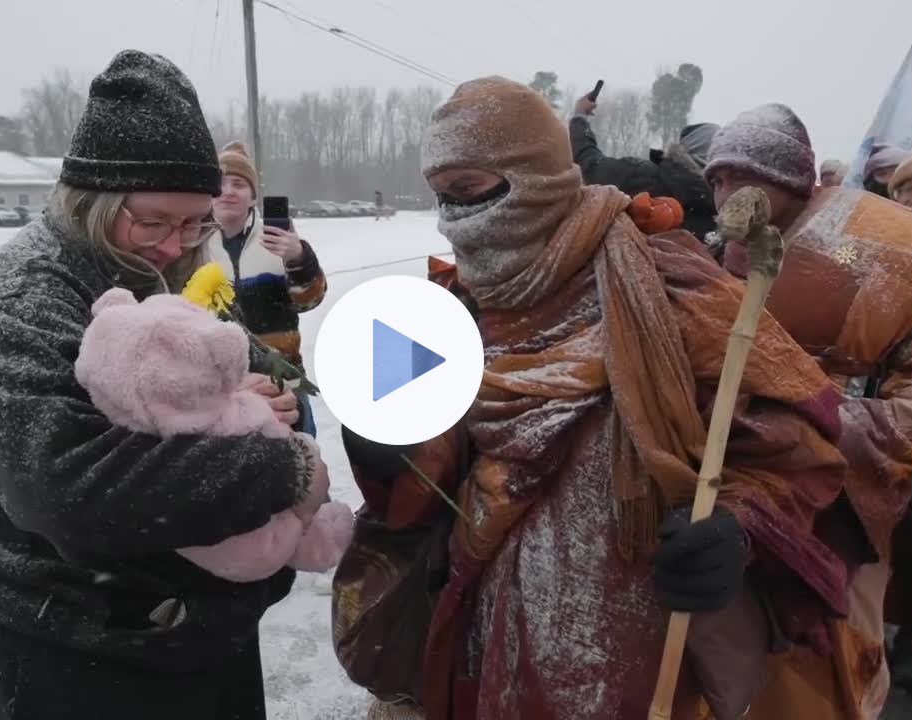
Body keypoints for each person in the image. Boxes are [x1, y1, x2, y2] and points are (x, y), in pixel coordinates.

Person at [334, 77, 856, 720]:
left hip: (630, 635)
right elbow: (421, 487)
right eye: (442, 198)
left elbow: (797, 445)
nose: (455, 219)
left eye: (469, 193)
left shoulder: (671, 284)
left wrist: (736, 528)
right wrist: (386, 455)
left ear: (540, 177)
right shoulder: (452, 305)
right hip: (482, 622)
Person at [0, 50, 324, 720]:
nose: (177, 245)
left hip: (187, 633)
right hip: (79, 649)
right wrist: (278, 466)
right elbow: (68, 489)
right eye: (154, 221)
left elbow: (171, 401)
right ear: (92, 200)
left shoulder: (153, 270)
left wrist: (244, 401)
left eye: (195, 222)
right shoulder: (20, 304)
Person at [704, 103, 912, 720]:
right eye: (717, 179)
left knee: (820, 681)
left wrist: (826, 423)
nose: (727, 193)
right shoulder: (703, 267)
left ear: (792, 184)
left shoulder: (877, 260)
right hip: (717, 522)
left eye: (744, 177)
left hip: (836, 519)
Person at [207, 141, 327, 436]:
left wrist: (298, 258)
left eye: (239, 184)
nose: (229, 191)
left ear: (252, 198)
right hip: (220, 386)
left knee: (301, 467)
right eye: (221, 183)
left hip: (283, 379)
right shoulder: (191, 246)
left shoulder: (280, 242)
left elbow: (309, 300)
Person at [570, 93, 718, 238]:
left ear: (684, 149)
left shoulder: (645, 176)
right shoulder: (727, 214)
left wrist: (579, 115)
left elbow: (589, 163)